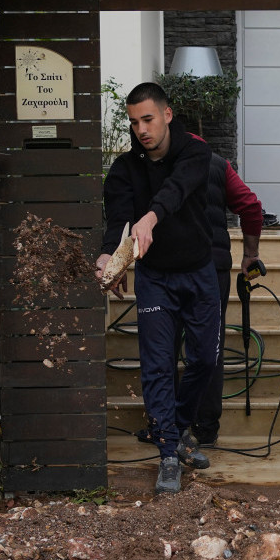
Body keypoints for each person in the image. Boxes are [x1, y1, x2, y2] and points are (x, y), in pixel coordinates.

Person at [95, 82, 220, 495]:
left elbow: (177, 189)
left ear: (167, 114)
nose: (141, 129)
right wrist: (109, 258)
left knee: (204, 359)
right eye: (133, 122)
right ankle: (169, 451)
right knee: (157, 364)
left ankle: (178, 428)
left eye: (148, 119)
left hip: (199, 271)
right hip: (155, 280)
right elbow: (117, 220)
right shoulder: (124, 170)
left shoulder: (196, 153)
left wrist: (150, 218)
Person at [191, 146, 264, 446]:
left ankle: (166, 426)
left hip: (170, 269)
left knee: (165, 347)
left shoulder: (157, 159)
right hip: (212, 265)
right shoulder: (217, 163)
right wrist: (251, 255)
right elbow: (251, 206)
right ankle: (206, 429)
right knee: (211, 346)